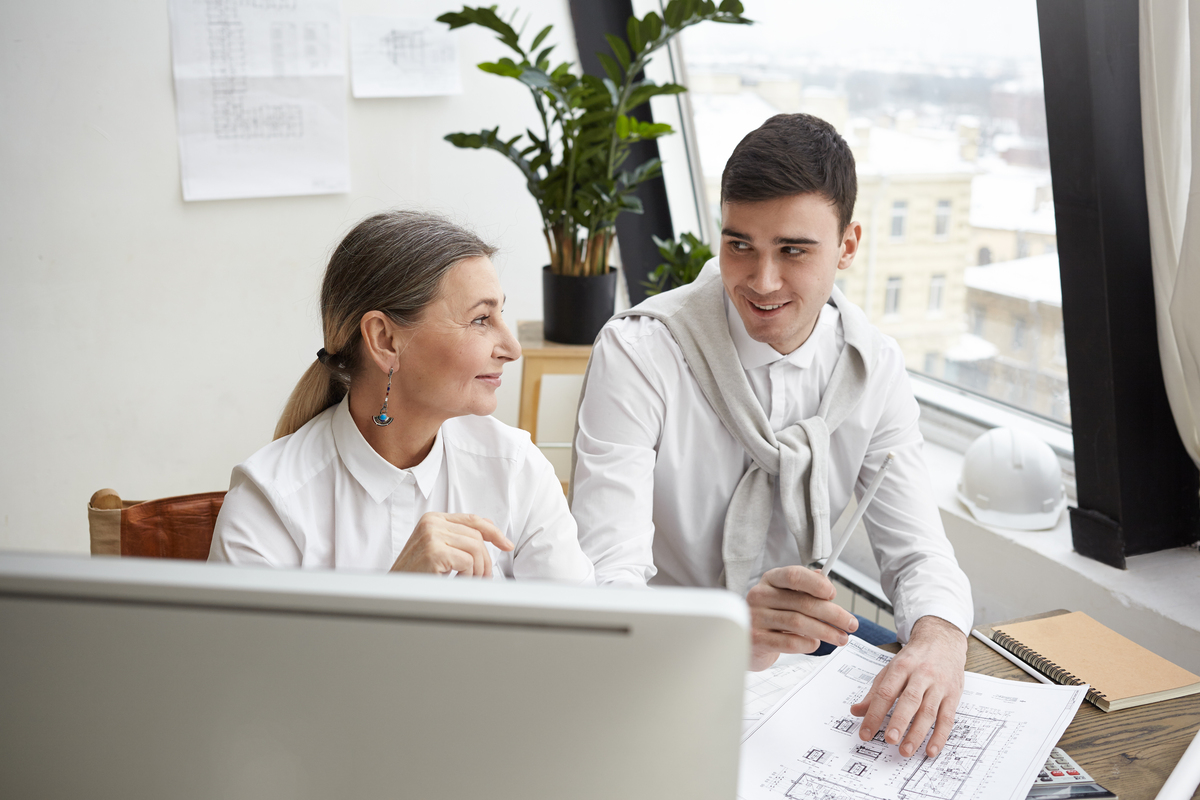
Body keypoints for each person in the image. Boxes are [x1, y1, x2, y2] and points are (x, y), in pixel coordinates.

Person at [570, 114, 972, 758]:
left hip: (809, 659)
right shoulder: (640, 353)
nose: (760, 281)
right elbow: (603, 578)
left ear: (848, 246)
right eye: (739, 245)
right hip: (664, 658)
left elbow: (918, 552)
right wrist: (723, 633)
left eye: (793, 250)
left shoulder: (875, 366)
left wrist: (941, 641)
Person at [210, 210, 594, 585]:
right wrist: (395, 593)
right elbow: (247, 653)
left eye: (500, 315)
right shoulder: (271, 502)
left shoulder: (516, 469)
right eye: (480, 319)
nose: (512, 348)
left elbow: (585, 637)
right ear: (385, 340)